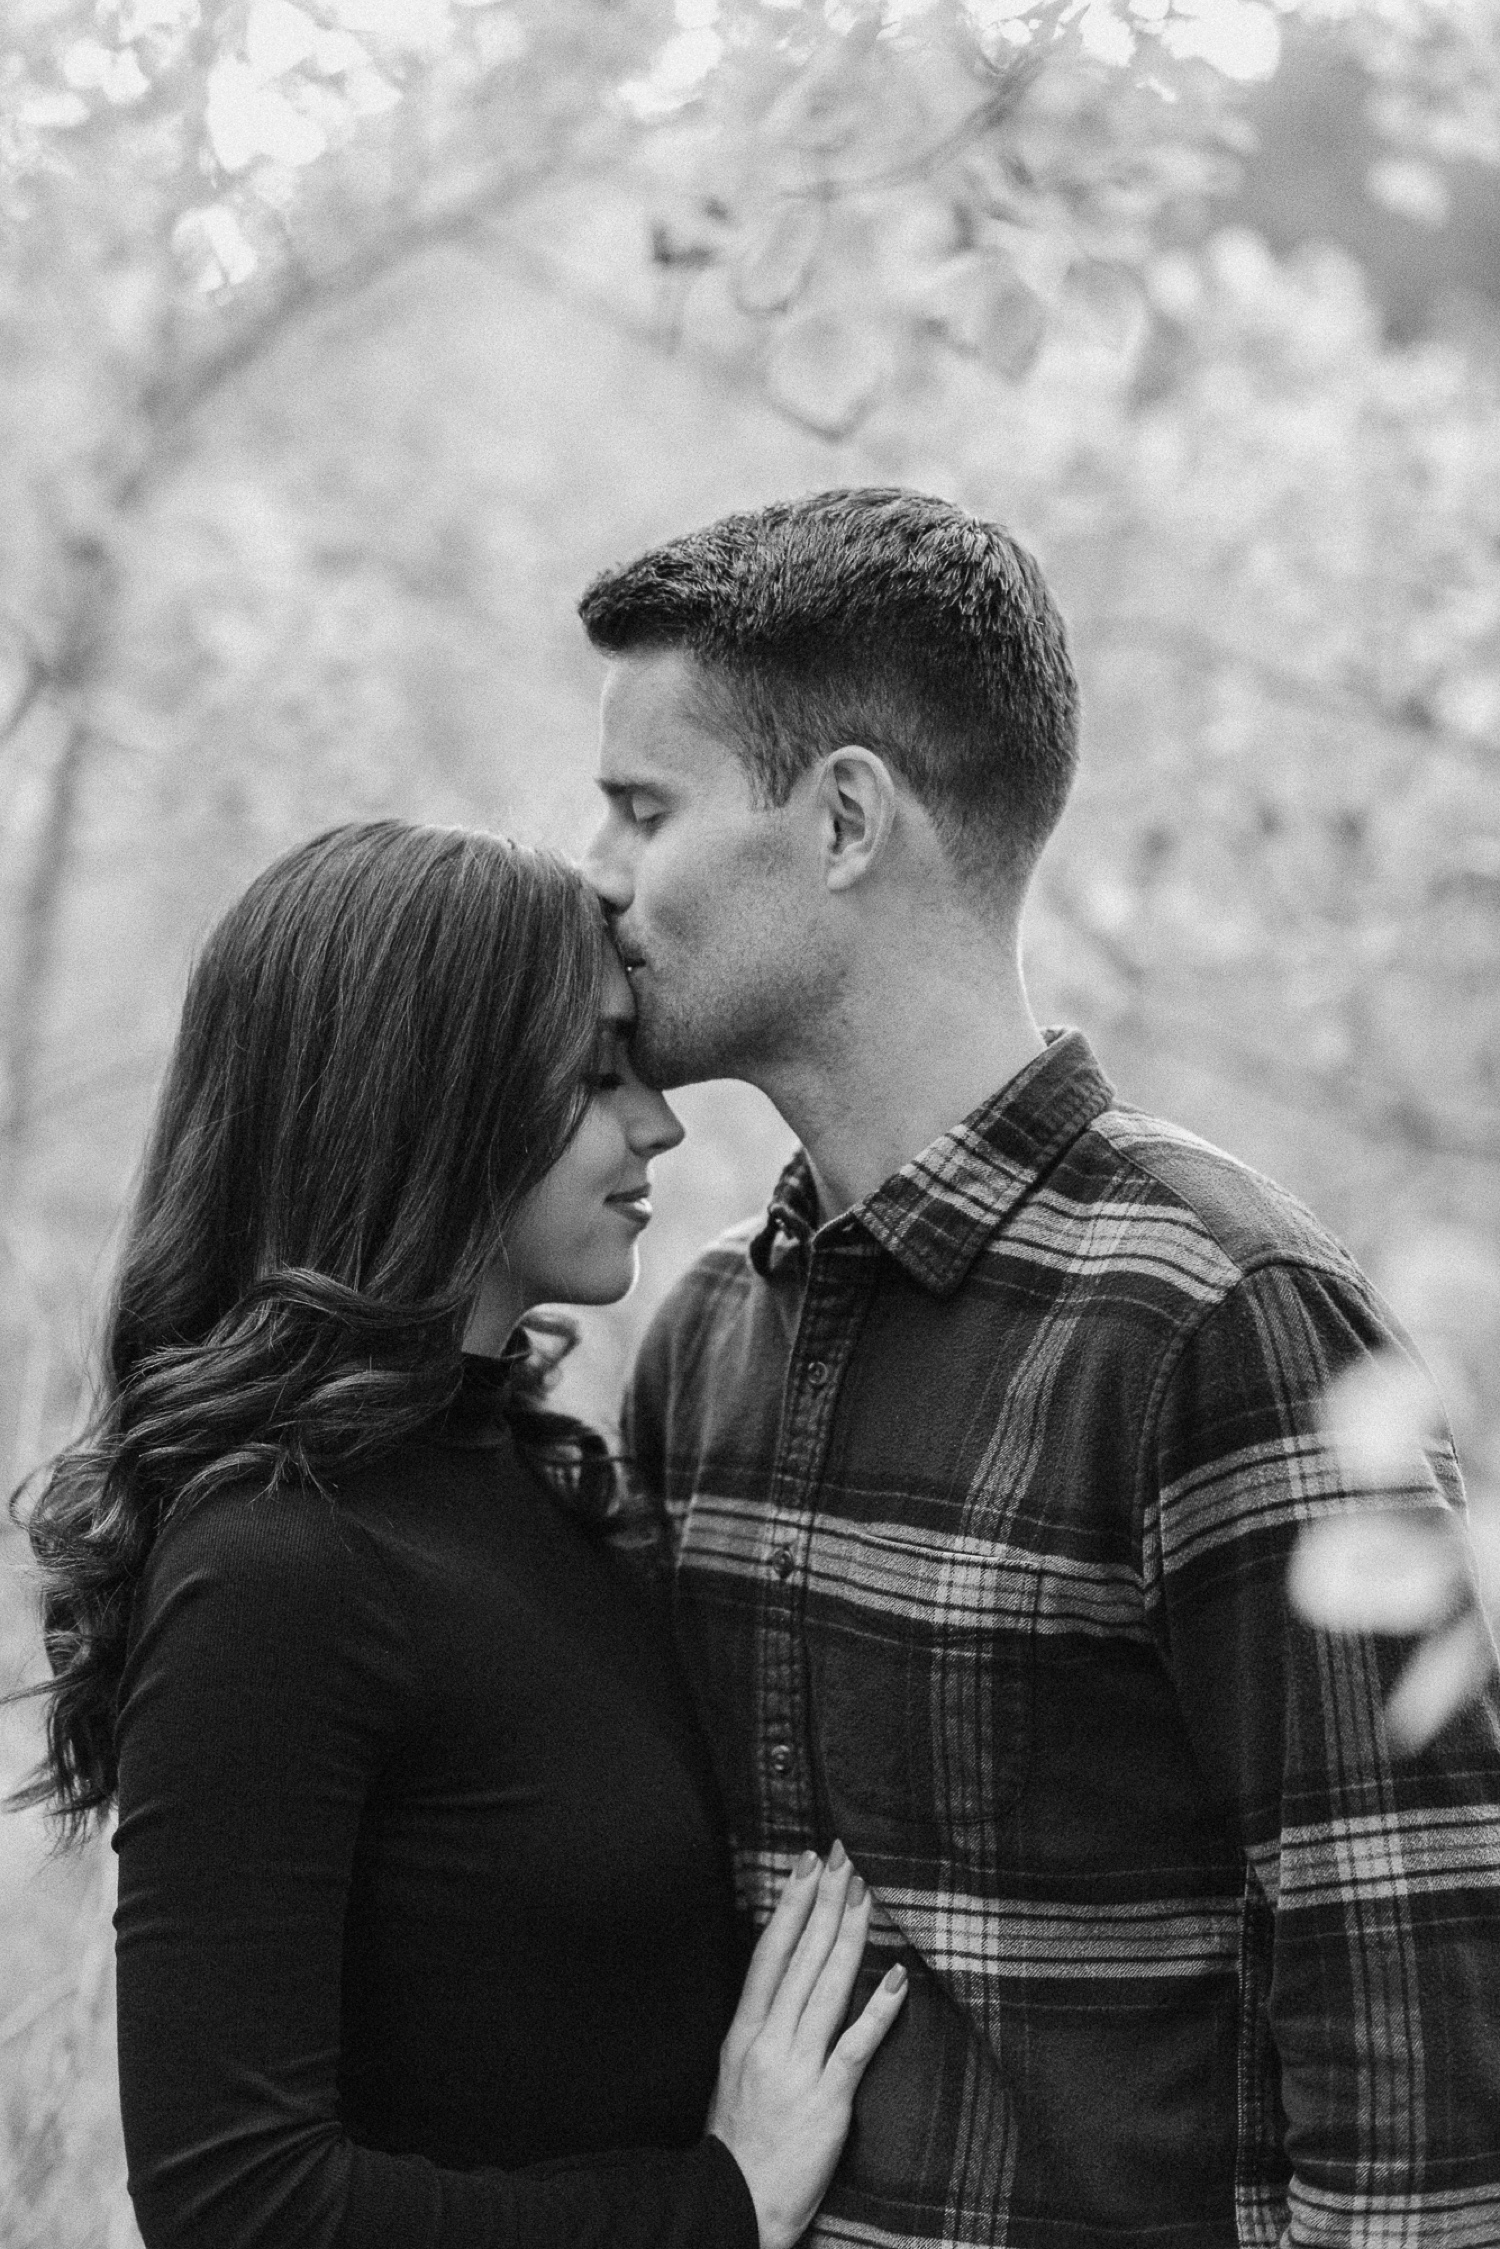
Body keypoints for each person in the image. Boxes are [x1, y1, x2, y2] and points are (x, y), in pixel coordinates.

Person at [577, 488, 1500, 2249]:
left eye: (644, 807)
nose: (600, 872)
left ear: (845, 817)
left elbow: (1423, 2072)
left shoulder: (1224, 1320)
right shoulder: (702, 1342)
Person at [10, 821, 908, 2249]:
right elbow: (239, 2207)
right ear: (430, 1101)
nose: (658, 1122)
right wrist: (714, 2203)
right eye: (595, 1072)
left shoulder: (549, 1491)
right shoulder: (275, 1565)